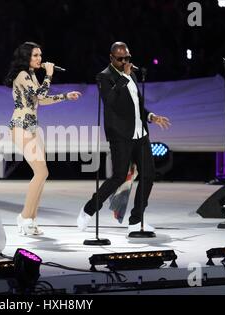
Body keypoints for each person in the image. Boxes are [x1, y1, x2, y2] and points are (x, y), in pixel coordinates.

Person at [77, 42, 171, 233]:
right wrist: (125, 77)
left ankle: (136, 220)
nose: (125, 62)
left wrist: (151, 116)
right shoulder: (104, 76)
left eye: (127, 58)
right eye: (120, 59)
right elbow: (110, 101)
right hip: (120, 135)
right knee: (119, 176)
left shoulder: (133, 75)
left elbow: (136, 106)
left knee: (148, 175)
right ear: (112, 58)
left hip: (140, 133)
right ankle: (88, 209)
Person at [4, 42, 81, 236]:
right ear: (26, 58)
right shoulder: (23, 75)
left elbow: (42, 100)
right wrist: (49, 74)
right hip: (21, 127)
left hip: (32, 127)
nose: (40, 59)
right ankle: (23, 217)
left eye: (40, 55)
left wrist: (65, 96)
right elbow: (41, 94)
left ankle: (31, 219)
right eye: (35, 55)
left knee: (42, 174)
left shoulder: (31, 76)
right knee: (40, 172)